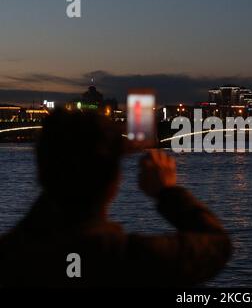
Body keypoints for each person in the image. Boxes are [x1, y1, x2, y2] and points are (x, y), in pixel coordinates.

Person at [0, 109, 232, 287]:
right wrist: (167, 192)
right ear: (114, 181)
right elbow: (217, 245)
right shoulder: (127, 259)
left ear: (41, 170)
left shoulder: (11, 256)